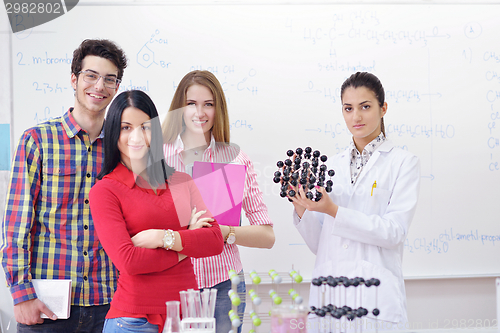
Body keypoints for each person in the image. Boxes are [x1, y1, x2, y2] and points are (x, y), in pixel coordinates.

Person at [0, 39, 127, 332]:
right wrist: (21, 295)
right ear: (74, 79)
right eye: (91, 75)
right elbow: (17, 225)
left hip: (110, 302)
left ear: (116, 87)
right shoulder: (37, 140)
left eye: (110, 79)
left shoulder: (122, 146)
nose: (99, 86)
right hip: (47, 307)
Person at [290, 72, 420, 329]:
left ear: (383, 108)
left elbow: (394, 232)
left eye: (365, 107)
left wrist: (334, 211)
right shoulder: (331, 165)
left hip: (376, 300)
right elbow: (320, 243)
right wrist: (302, 207)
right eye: (348, 108)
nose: (356, 117)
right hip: (330, 297)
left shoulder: (403, 162)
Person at [89, 90, 224, 333]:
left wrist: (162, 238)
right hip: (133, 321)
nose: (137, 136)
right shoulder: (106, 191)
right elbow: (129, 261)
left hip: (188, 317)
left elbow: (214, 241)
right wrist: (186, 244)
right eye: (126, 127)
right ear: (113, 133)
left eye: (145, 126)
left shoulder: (180, 182)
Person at [162, 70, 275, 333]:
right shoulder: (157, 156)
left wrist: (224, 233)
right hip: (172, 281)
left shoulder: (235, 159)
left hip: (224, 285)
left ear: (218, 109)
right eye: (191, 103)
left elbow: (267, 236)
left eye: (208, 104)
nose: (199, 113)